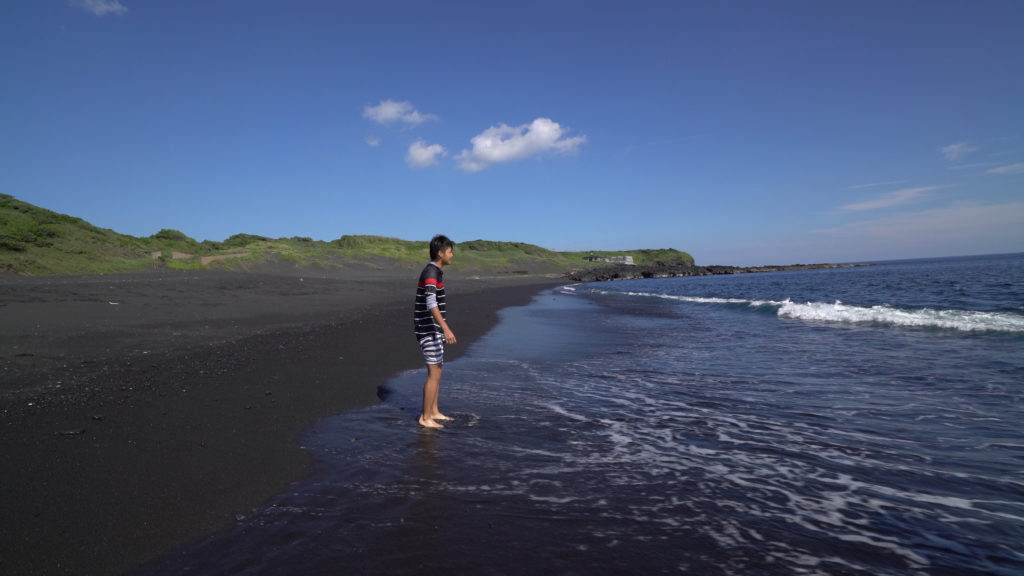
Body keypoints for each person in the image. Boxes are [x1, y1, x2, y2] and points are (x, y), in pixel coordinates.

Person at [414, 235, 457, 428]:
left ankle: (434, 411)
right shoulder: (431, 272)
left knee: (438, 370)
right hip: (427, 328)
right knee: (433, 372)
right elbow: (431, 303)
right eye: (449, 251)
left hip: (433, 328)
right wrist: (445, 328)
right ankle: (425, 417)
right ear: (440, 253)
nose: (452, 255)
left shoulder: (437, 272)